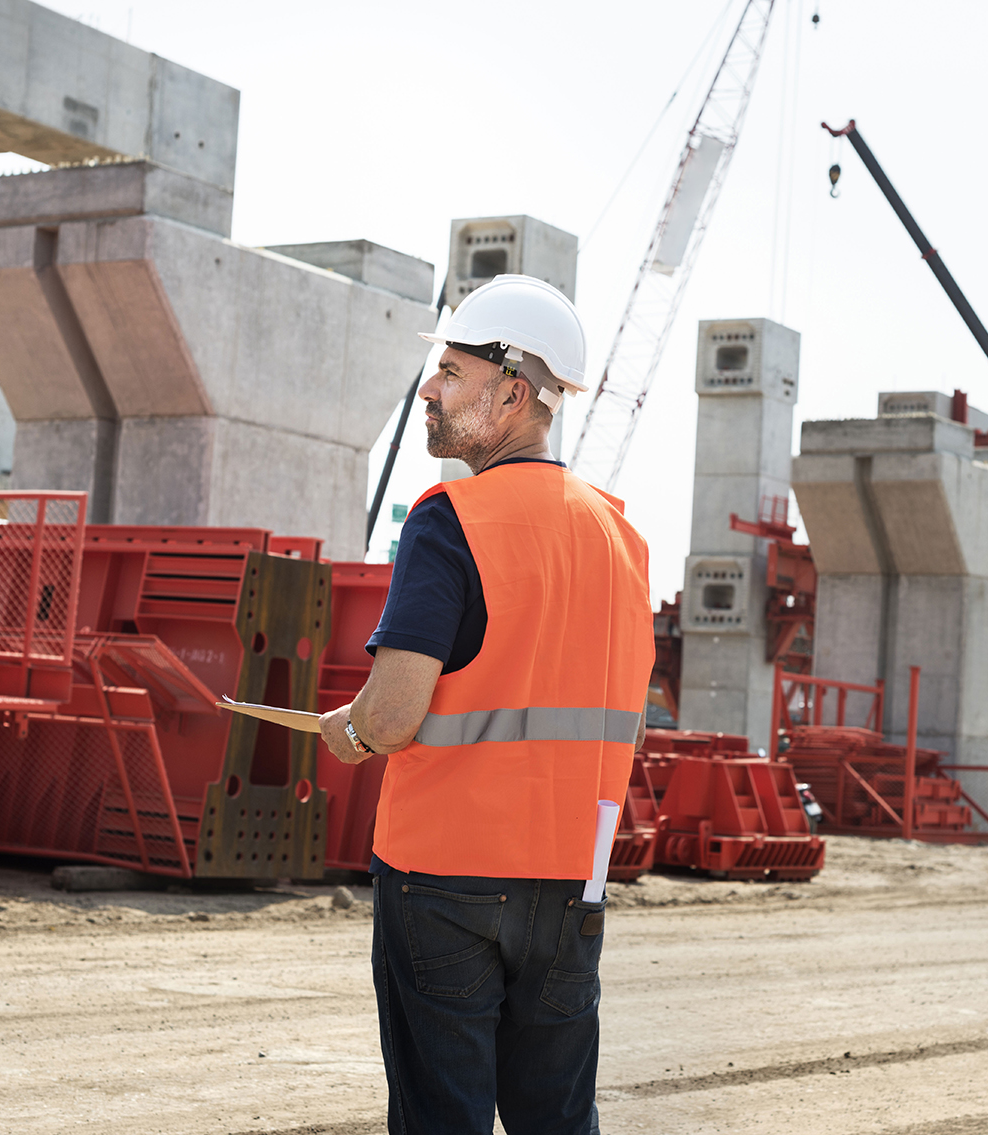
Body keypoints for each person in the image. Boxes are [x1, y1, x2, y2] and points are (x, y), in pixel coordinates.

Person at [318, 274, 654, 1135]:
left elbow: (391, 716)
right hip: (571, 883)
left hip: (444, 879)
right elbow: (622, 715)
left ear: (512, 393)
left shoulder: (448, 519)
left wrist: (349, 730)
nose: (429, 391)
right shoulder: (621, 537)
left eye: (451, 373)